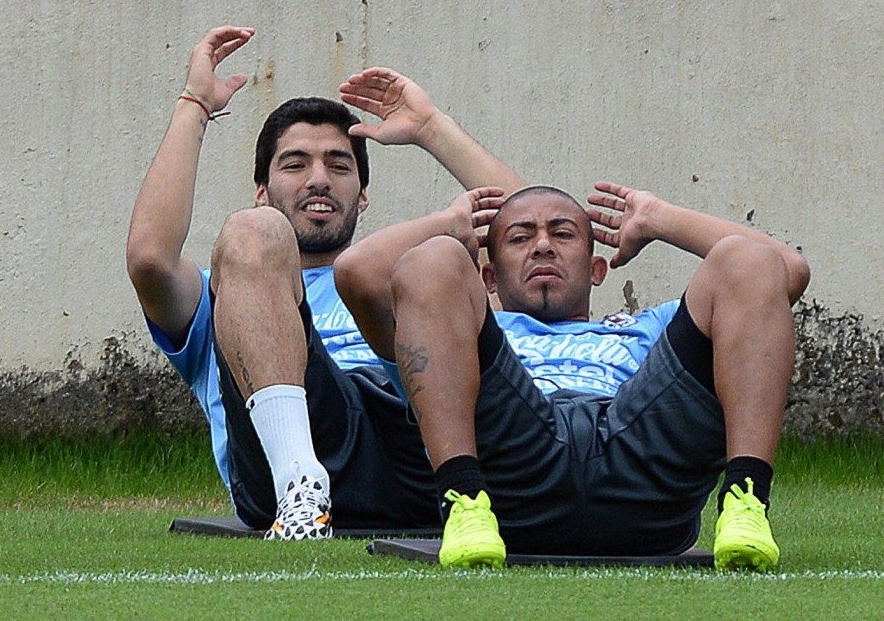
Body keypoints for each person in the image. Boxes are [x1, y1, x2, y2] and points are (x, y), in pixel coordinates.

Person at [126, 25, 523, 540]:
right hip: (298, 457)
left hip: (425, 442)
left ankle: (460, 496)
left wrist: (430, 127)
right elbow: (150, 260)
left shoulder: (410, 275)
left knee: (442, 260)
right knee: (251, 235)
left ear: (363, 196)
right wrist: (195, 103)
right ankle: (300, 489)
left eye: (338, 165)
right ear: (262, 191)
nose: (318, 178)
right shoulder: (225, 296)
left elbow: (537, 225)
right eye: (295, 164)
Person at [334, 182, 810, 571]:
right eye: (520, 238)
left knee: (748, 258)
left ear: (597, 267)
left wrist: (659, 219)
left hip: (641, 458)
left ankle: (746, 500)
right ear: (489, 280)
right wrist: (451, 225)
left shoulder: (644, 325)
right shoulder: (456, 325)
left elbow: (785, 270)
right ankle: (464, 503)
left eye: (562, 235)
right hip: (513, 475)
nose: (542, 245)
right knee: (432, 257)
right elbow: (359, 272)